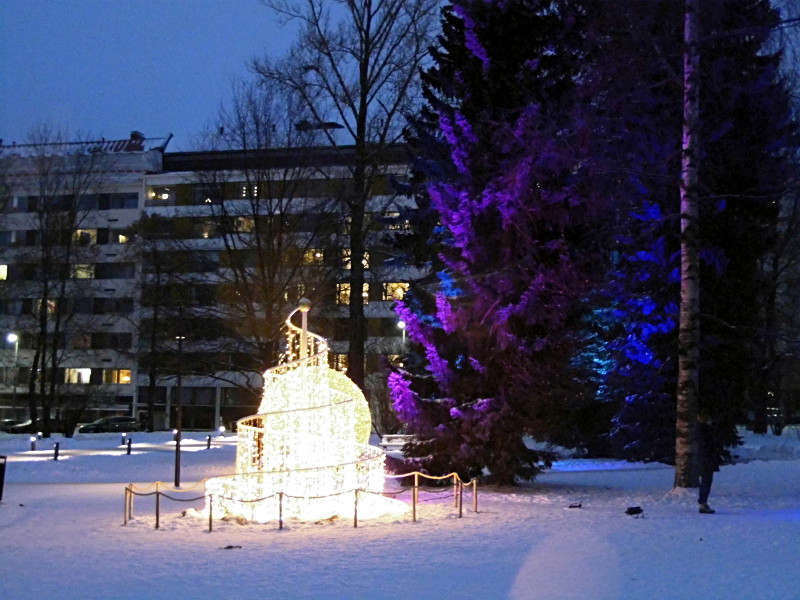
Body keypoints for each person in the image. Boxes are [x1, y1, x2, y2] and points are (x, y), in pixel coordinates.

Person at [696, 411, 720, 514]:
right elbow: (708, 446)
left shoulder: (701, 430)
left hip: (704, 459)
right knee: (706, 482)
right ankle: (703, 503)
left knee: (706, 482)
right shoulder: (705, 431)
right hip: (706, 460)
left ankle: (703, 502)